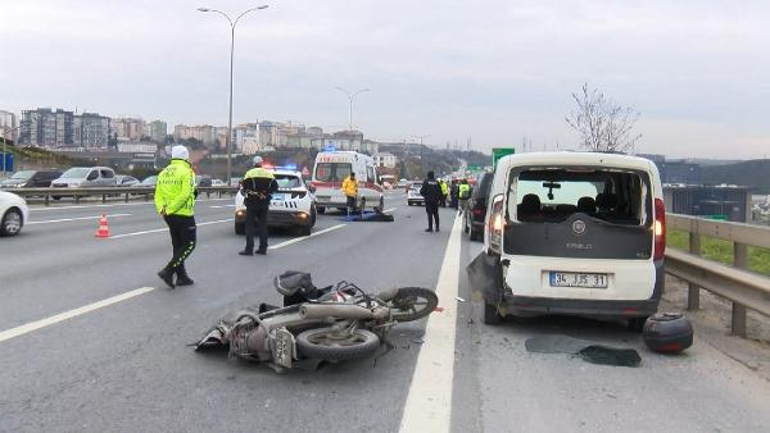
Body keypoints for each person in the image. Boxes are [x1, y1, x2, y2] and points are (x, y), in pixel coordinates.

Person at [155, 145, 197, 289]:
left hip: (168, 215)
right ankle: (168, 271)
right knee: (190, 244)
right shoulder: (187, 171)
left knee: (178, 245)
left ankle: (182, 276)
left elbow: (158, 194)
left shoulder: (164, 172)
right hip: (184, 214)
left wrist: (163, 209)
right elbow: (185, 194)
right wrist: (173, 208)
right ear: (185, 156)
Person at [240, 156, 279, 256]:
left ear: (253, 164)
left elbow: (244, 187)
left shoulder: (250, 173)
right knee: (263, 225)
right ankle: (263, 248)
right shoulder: (269, 174)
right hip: (264, 203)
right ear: (262, 163)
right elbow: (275, 187)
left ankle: (249, 249)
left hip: (252, 203)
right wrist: (265, 193)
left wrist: (254, 192)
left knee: (249, 226)